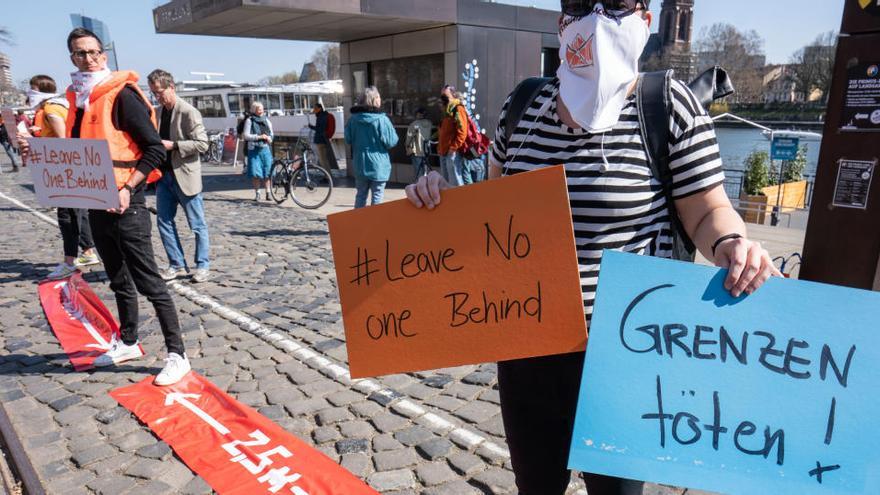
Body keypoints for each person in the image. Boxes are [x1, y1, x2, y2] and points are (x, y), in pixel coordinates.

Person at [406, 1, 781, 493]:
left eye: (618, 3)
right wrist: (437, 203)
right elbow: (489, 211)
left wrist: (734, 242)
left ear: (644, 18)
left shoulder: (666, 104)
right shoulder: (522, 106)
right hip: (528, 350)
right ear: (562, 21)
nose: (597, 15)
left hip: (625, 355)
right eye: (580, 3)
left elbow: (708, 210)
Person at [25, 27, 191, 386]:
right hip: (95, 202)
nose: (87, 59)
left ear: (104, 54)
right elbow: (74, 151)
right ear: (71, 58)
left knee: (149, 281)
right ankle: (128, 340)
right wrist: (38, 154)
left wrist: (130, 187)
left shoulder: (122, 94)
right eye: (79, 54)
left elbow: (154, 149)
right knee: (117, 278)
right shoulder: (77, 98)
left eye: (93, 52)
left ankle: (178, 354)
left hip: (126, 200)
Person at [23, 74, 101, 279]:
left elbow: (62, 140)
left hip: (64, 170)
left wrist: (32, 140)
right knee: (75, 213)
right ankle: (84, 253)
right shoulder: (60, 104)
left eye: (32, 88)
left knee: (67, 216)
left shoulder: (50, 108)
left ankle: (76, 258)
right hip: (70, 169)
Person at [147, 69, 211, 283]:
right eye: (154, 93)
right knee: (163, 222)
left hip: (185, 176)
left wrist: (174, 145)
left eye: (159, 92)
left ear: (171, 87)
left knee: (197, 224)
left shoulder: (188, 111)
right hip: (164, 177)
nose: (157, 96)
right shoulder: (156, 112)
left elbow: (203, 144)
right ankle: (177, 264)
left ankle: (203, 265)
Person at [344, 86, 398, 208]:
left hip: (360, 163)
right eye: (378, 97)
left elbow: (348, 139)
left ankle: (358, 224)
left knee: (360, 195)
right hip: (378, 164)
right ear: (373, 100)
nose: (380, 100)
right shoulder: (382, 120)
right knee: (377, 196)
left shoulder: (353, 120)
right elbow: (392, 141)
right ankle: (375, 225)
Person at [242, 101, 274, 201]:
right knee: (255, 173)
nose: (261, 110)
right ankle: (258, 193)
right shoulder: (249, 120)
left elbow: (272, 134)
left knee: (267, 172)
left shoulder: (267, 120)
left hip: (265, 149)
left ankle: (268, 193)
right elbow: (246, 135)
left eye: (261, 108)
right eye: (258, 109)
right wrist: (259, 137)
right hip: (254, 149)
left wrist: (269, 139)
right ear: (254, 110)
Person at [437, 84, 468, 186]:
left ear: (453, 95)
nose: (442, 98)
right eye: (442, 96)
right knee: (446, 184)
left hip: (452, 152)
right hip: (444, 151)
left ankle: (461, 202)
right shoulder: (447, 110)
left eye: (445, 95)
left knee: (456, 182)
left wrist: (453, 148)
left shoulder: (458, 108)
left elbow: (463, 132)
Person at [308, 103, 338, 172]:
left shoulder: (321, 117)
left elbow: (320, 129)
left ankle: (327, 176)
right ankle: (327, 176)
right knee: (324, 160)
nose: (314, 110)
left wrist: (312, 127)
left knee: (323, 160)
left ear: (320, 108)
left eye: (315, 108)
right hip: (324, 139)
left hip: (321, 140)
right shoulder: (324, 116)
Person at [405, 107, 432, 178]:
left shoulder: (414, 124)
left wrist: (407, 146)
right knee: (425, 170)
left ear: (419, 114)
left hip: (416, 150)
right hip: (426, 150)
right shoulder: (429, 124)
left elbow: (409, 137)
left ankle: (419, 186)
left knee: (418, 171)